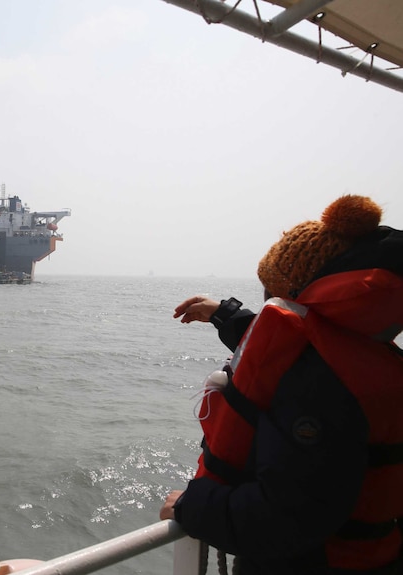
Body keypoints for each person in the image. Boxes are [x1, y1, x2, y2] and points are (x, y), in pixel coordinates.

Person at [159, 195, 403, 574]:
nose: (269, 306)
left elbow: (285, 520)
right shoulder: (369, 352)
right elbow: (293, 345)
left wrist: (192, 505)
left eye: (271, 294)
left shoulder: (318, 386)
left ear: (293, 294)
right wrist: (223, 314)